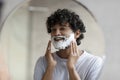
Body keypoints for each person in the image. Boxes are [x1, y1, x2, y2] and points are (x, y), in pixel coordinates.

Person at [34, 9, 103, 80]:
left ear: (77, 33)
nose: (56, 33)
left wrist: (71, 68)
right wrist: (50, 67)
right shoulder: (43, 61)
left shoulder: (94, 62)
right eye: (53, 30)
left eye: (62, 29)